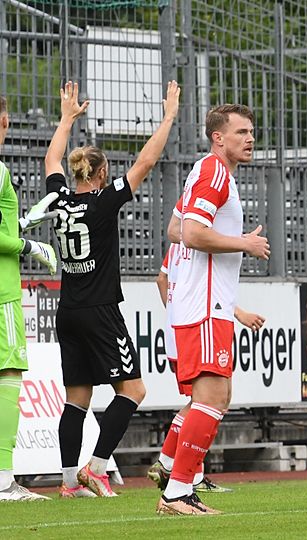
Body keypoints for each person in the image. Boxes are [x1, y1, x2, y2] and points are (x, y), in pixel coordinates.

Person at [46, 81, 179, 498]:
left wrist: (66, 119)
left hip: (68, 310)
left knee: (76, 399)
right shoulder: (103, 202)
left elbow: (50, 158)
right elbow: (146, 161)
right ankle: (97, 468)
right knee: (134, 390)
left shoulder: (58, 200)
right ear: (102, 174)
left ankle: (70, 483)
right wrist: (169, 116)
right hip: (101, 309)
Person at [158, 103, 270, 515]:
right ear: (218, 138)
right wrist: (244, 243)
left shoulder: (205, 171)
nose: (250, 138)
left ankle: (175, 480)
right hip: (205, 302)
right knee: (212, 397)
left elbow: (174, 229)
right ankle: (177, 492)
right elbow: (190, 233)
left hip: (205, 299)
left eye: (251, 131)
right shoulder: (215, 173)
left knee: (214, 396)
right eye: (241, 132)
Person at [148, 199, 263, 495]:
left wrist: (175, 314)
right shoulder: (197, 239)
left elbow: (162, 279)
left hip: (182, 326)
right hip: (197, 323)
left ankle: (175, 467)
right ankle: (182, 474)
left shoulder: (179, 240)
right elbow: (203, 286)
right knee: (209, 400)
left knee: (207, 399)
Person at [0, 94, 58, 502]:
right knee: (8, 377)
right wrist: (30, 246)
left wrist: (23, 221)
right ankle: (4, 480)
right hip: (2, 294)